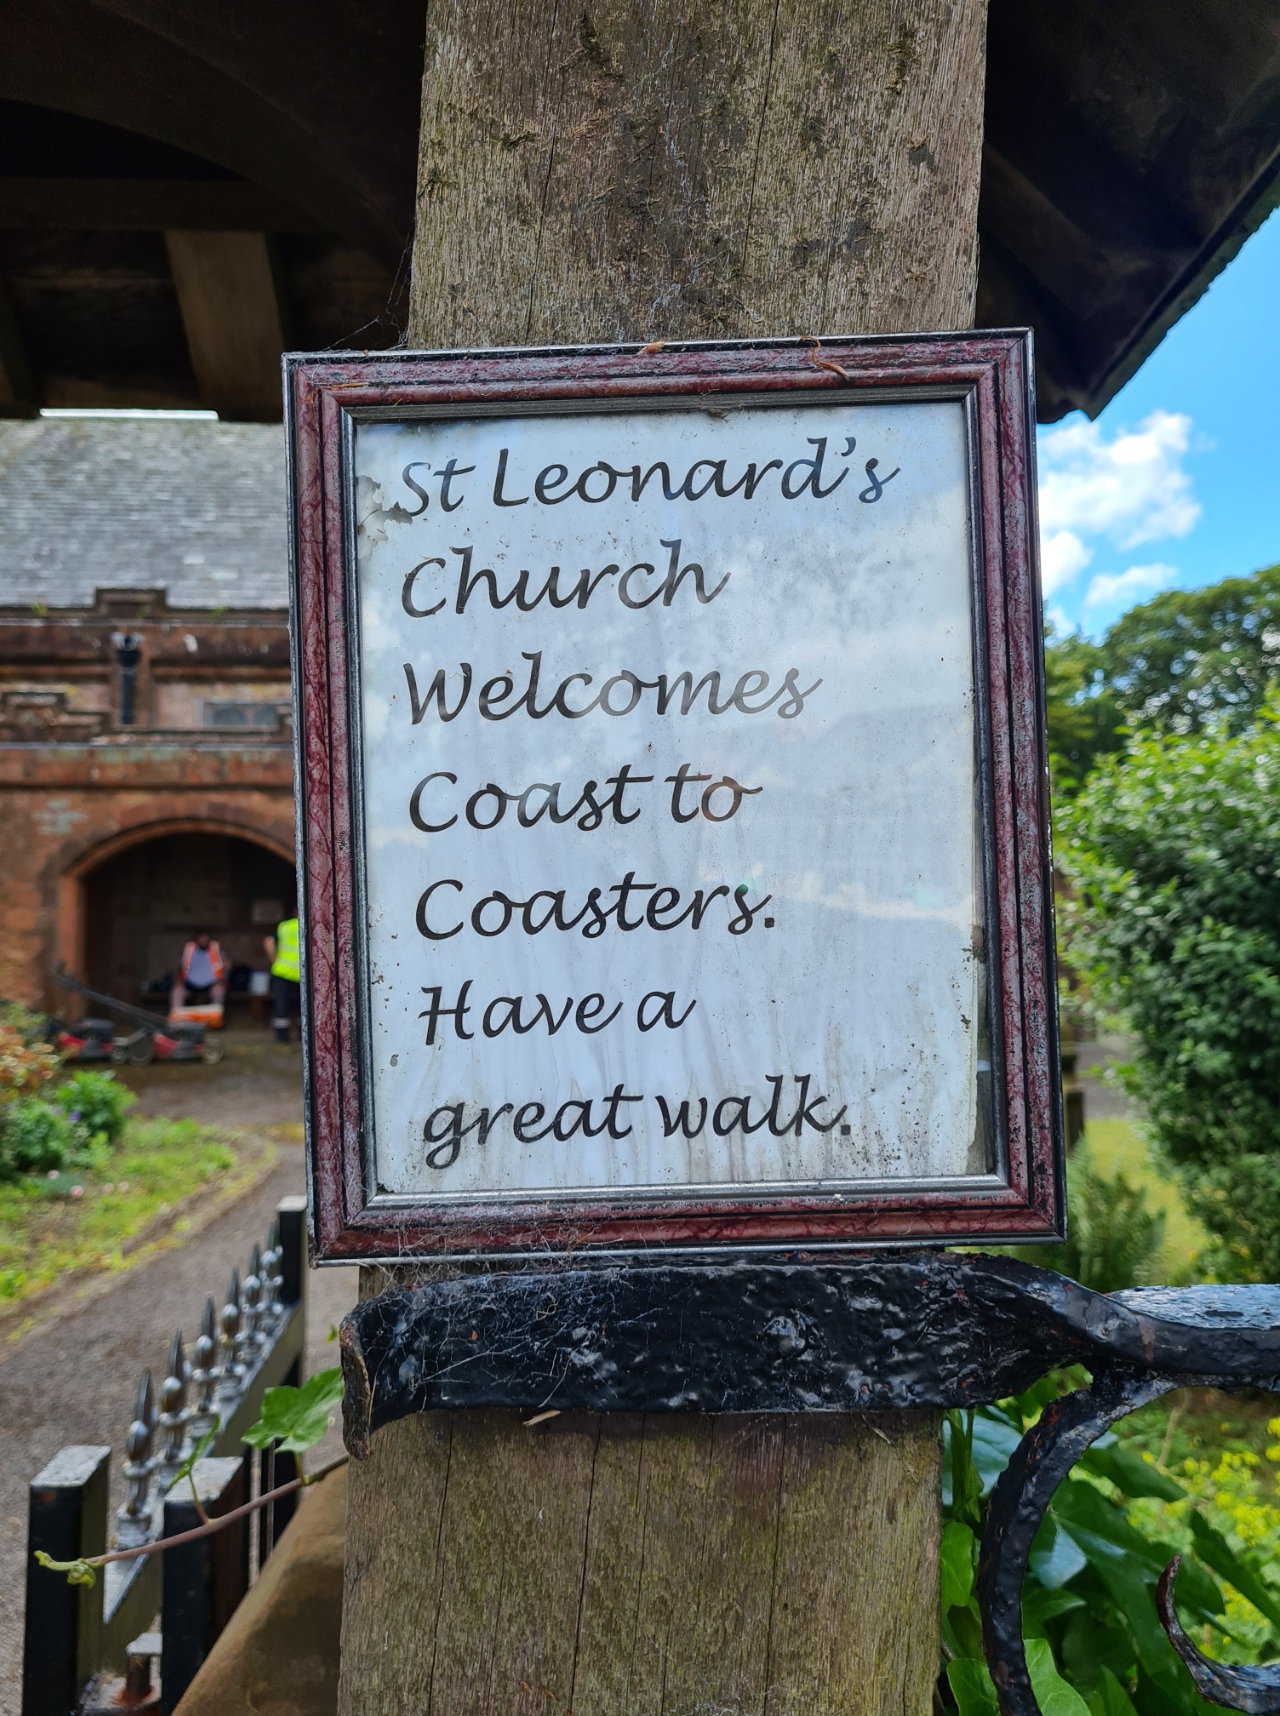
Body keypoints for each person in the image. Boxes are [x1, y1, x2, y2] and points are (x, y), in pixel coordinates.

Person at [264, 914, 300, 1045]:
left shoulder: (284, 926)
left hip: (282, 972)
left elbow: (268, 942)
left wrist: (274, 961)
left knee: (281, 1005)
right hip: (302, 974)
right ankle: (303, 1035)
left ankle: (281, 1037)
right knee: (303, 1006)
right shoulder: (310, 925)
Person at [171, 930, 227, 1014]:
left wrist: (222, 980)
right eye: (201, 938)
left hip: (211, 984)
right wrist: (178, 980)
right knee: (177, 992)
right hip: (190, 984)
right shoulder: (188, 951)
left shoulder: (216, 951)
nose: (203, 941)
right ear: (196, 939)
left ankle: (215, 1020)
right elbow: (177, 967)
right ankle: (177, 1022)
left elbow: (226, 966)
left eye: (205, 938)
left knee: (219, 991)